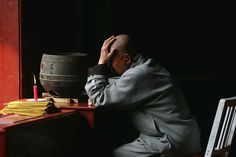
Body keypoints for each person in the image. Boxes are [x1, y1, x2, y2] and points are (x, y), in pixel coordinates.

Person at [84, 34, 201, 157]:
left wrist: (101, 62)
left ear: (126, 59)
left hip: (170, 140)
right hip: (181, 136)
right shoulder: (148, 67)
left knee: (114, 155)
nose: (109, 66)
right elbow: (117, 84)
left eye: (110, 61)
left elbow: (99, 98)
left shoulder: (140, 74)